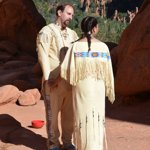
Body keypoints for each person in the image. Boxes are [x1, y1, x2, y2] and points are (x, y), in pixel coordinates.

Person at [61, 16, 115, 150]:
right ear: (95, 28)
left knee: (82, 118)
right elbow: (108, 72)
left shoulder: (75, 46)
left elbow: (65, 69)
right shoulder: (103, 47)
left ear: (83, 29)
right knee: (96, 118)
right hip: (98, 87)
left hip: (81, 87)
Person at [36, 3, 78, 150]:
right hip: (53, 82)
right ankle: (53, 143)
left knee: (69, 115)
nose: (71, 17)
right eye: (68, 14)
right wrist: (48, 80)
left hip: (69, 82)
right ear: (59, 13)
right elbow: (43, 56)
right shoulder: (46, 32)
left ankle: (67, 142)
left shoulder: (73, 34)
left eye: (72, 15)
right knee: (52, 115)